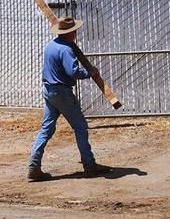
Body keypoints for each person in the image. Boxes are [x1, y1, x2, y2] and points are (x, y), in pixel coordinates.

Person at [27, 16, 111, 181]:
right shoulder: (66, 49)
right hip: (62, 93)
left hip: (49, 91)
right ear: (70, 31)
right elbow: (73, 72)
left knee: (46, 129)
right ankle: (89, 165)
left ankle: (34, 166)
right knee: (80, 126)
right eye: (74, 30)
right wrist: (90, 73)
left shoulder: (51, 46)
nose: (76, 33)